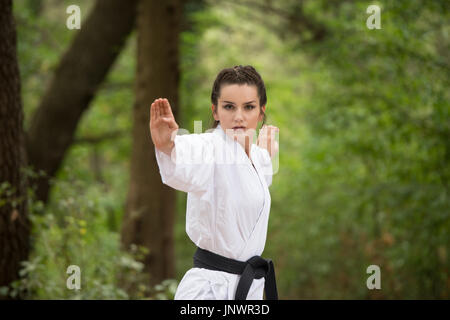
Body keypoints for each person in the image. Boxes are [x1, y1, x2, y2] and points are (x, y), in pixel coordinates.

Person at [150, 65, 279, 300]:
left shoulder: (256, 159)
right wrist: (167, 145)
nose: (238, 116)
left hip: (250, 289)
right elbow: (185, 155)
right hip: (210, 291)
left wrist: (264, 155)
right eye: (229, 107)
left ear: (261, 113)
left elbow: (251, 188)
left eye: (248, 107)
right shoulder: (209, 149)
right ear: (216, 111)